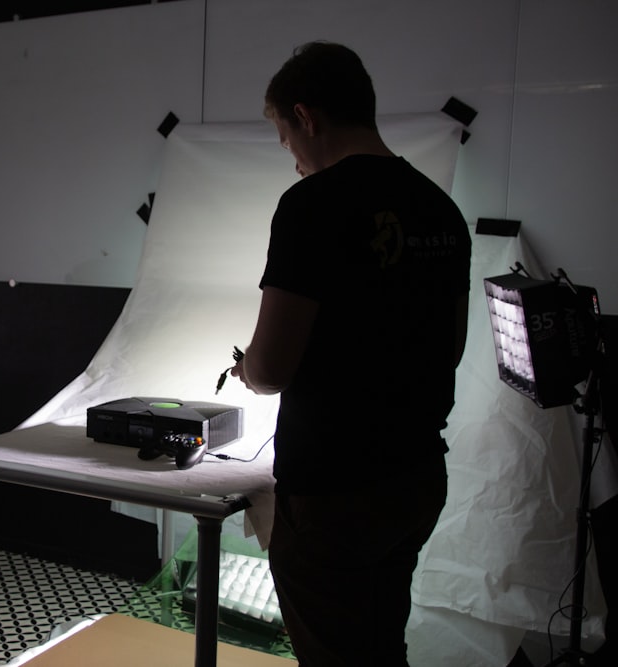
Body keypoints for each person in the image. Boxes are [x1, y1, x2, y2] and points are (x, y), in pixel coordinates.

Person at [232, 42, 471, 666]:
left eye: (286, 139)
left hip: (334, 492)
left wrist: (247, 370)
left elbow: (271, 367)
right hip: (415, 478)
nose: (293, 161)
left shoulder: (311, 207)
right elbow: (451, 348)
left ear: (307, 116)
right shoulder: (439, 207)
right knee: (380, 644)